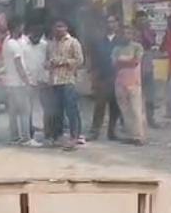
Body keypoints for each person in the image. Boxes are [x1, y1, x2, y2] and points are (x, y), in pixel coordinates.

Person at [46, 19, 84, 149]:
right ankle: (58, 136)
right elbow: (47, 61)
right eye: (56, 27)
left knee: (71, 110)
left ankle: (75, 136)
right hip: (54, 81)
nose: (58, 29)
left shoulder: (73, 42)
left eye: (61, 27)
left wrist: (62, 62)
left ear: (66, 28)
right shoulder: (50, 44)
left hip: (68, 80)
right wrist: (48, 64)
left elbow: (79, 60)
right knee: (57, 111)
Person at [89, 14, 123, 141]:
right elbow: (94, 61)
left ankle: (112, 131)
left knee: (115, 106)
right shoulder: (99, 41)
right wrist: (94, 77)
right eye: (108, 22)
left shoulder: (122, 41)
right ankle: (95, 131)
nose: (110, 25)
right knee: (100, 105)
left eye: (112, 22)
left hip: (118, 76)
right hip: (103, 77)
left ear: (117, 24)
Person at [2, 17, 35, 146]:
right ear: (17, 27)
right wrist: (27, 82)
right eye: (21, 26)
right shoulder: (13, 45)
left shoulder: (7, 41)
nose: (23, 29)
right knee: (25, 111)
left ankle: (14, 137)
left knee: (13, 112)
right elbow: (19, 66)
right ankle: (26, 138)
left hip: (10, 83)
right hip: (18, 84)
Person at [112, 25, 146, 146]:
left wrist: (123, 61)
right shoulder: (116, 48)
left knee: (136, 110)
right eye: (124, 33)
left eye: (129, 33)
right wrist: (128, 61)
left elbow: (135, 62)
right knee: (125, 111)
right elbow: (114, 64)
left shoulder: (137, 47)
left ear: (132, 35)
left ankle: (139, 137)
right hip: (120, 83)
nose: (126, 35)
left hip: (134, 83)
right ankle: (131, 136)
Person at [22, 23, 50, 145]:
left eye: (38, 37)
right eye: (34, 36)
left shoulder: (44, 45)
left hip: (42, 81)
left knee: (46, 107)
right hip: (28, 81)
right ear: (30, 35)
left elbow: (47, 63)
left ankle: (47, 132)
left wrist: (45, 79)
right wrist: (27, 80)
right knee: (28, 108)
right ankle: (30, 133)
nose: (36, 39)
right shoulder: (24, 46)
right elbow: (22, 64)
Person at [133, 11, 160, 129]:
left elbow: (151, 43)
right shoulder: (131, 32)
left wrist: (144, 31)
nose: (142, 22)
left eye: (144, 19)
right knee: (134, 97)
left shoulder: (150, 31)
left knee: (150, 95)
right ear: (136, 20)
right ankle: (135, 121)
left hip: (147, 67)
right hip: (133, 69)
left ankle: (151, 119)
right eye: (140, 20)